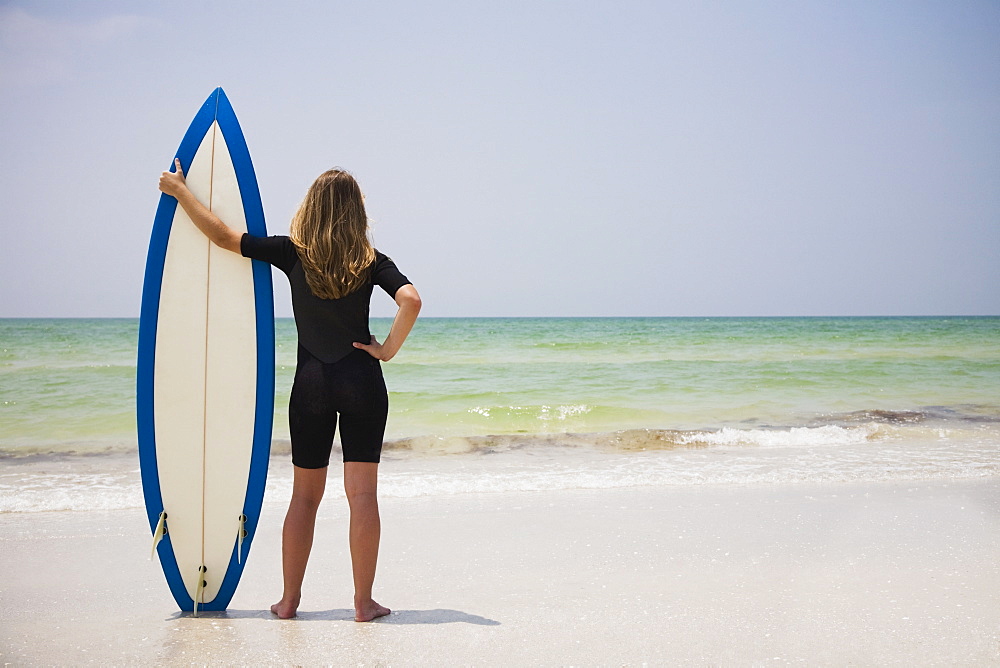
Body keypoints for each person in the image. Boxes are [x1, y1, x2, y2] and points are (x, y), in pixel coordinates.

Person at [159, 161, 421, 622]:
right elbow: (411, 300)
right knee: (362, 497)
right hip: (362, 382)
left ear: (312, 208)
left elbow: (223, 237)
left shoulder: (292, 253)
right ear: (356, 214)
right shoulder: (372, 261)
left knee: (304, 497)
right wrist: (387, 350)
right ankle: (363, 604)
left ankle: (288, 601)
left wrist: (182, 193)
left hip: (312, 385)